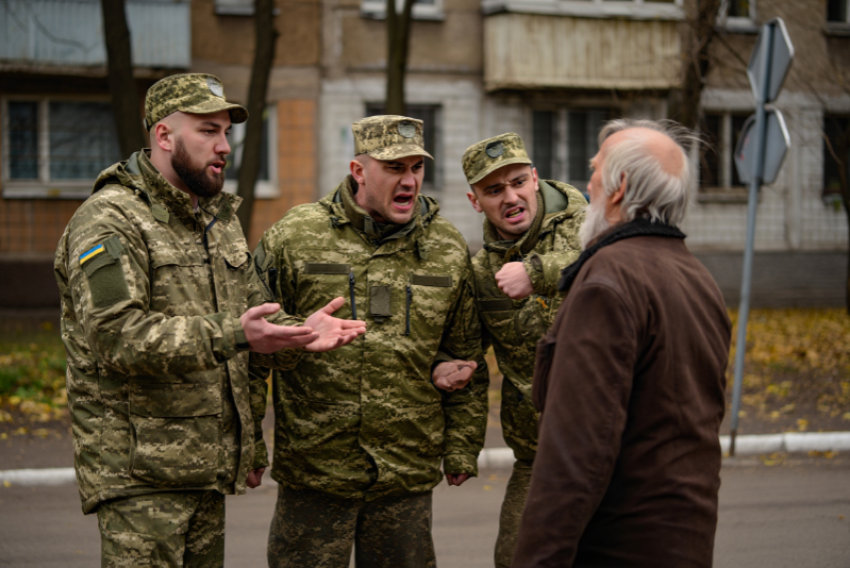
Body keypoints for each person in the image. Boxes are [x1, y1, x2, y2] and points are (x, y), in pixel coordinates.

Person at [53, 73, 365, 568]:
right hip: (140, 478)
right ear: (164, 136)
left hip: (205, 471)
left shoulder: (216, 221)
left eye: (227, 132)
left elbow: (253, 312)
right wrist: (237, 334)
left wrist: (299, 332)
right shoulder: (110, 219)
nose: (224, 147)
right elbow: (117, 337)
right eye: (207, 131)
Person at [256, 115, 489, 568]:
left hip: (405, 470)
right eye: (394, 168)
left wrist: (462, 446)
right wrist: (249, 445)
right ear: (358, 171)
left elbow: (465, 353)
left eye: (416, 168)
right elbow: (254, 344)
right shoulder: (296, 235)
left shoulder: (446, 246)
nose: (410, 181)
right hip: (315, 467)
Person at [512, 119, 732, 568]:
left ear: (620, 188)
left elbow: (576, 453)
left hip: (616, 548)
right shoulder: (697, 277)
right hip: (684, 543)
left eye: (595, 170)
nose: (587, 184)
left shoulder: (607, 281)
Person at [453, 133, 585, 568]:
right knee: (516, 557)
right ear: (475, 202)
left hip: (613, 446)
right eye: (494, 190)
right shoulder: (480, 274)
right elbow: (469, 362)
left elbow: (618, 264)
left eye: (517, 183)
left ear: (535, 178)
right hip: (538, 453)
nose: (510, 198)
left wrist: (538, 271)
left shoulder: (590, 226)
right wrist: (461, 447)